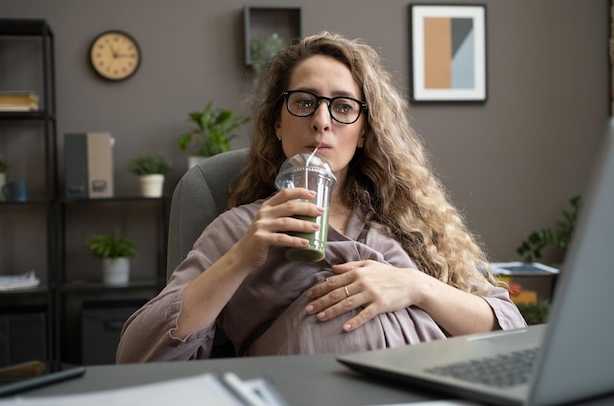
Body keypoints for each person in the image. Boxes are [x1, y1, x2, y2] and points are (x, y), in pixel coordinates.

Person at [116, 32, 526, 363]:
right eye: (305, 102)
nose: (321, 121)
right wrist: (241, 257)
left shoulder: (407, 219)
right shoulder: (242, 229)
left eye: (343, 106)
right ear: (278, 121)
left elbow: (508, 326)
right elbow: (138, 356)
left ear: (364, 130)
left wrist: (415, 286)